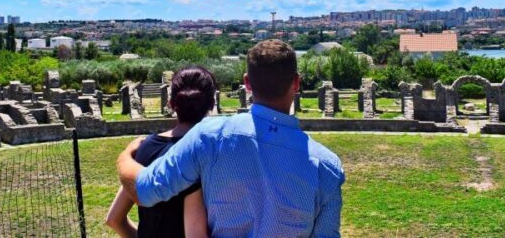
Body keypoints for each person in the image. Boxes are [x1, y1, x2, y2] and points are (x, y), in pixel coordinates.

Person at [117, 39, 345, 237]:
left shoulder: (209, 137)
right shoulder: (327, 167)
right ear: (296, 83)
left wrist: (125, 158)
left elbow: (145, 190)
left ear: (247, 83)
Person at [105, 66, 215, 238]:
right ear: (212, 104)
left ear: (171, 104)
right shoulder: (210, 151)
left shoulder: (143, 148)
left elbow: (114, 219)